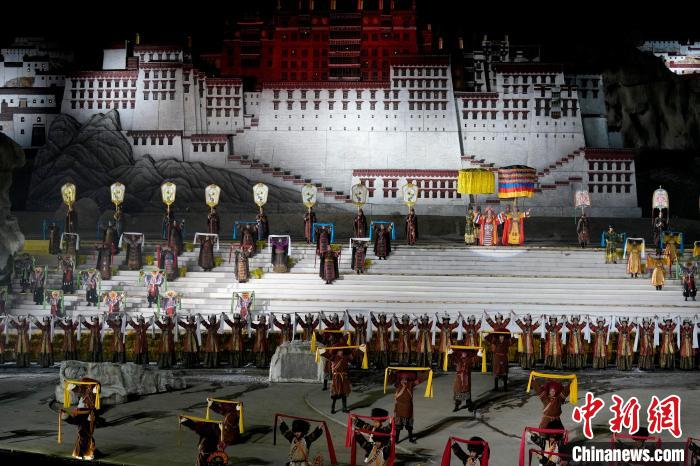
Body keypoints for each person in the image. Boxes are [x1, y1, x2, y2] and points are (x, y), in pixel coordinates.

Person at [61, 378, 100, 460]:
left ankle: (85, 453)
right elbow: (76, 389)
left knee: (84, 433)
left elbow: (96, 392)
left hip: (89, 413)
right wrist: (69, 384)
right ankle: (86, 453)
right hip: (81, 412)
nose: (88, 387)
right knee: (83, 433)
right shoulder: (83, 391)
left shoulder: (93, 393)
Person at [390, 370, 426, 444]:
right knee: (398, 425)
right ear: (400, 379)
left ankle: (410, 438)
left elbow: (420, 380)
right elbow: (390, 379)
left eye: (406, 379)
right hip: (399, 408)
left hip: (408, 407)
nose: (404, 380)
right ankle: (396, 439)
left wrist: (425, 372)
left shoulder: (411, 384)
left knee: (409, 425)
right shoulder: (397, 384)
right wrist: (390, 372)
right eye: (403, 379)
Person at [320, 347, 352, 414]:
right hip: (336, 378)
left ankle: (344, 408)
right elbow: (326, 355)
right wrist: (321, 351)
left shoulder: (346, 357)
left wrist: (361, 349)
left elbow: (353, 356)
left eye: (342, 350)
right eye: (340, 350)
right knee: (335, 394)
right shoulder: (334, 357)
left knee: (344, 393)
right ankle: (332, 408)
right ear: (337, 351)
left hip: (344, 378)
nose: (341, 352)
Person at [452, 348, 479, 412]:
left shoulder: (469, 359)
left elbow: (475, 360)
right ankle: (456, 405)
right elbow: (452, 358)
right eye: (463, 352)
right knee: (458, 391)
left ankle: (469, 405)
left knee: (467, 391)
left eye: (465, 353)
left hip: (466, 377)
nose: (464, 353)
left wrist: (478, 353)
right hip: (459, 378)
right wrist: (449, 353)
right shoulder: (458, 359)